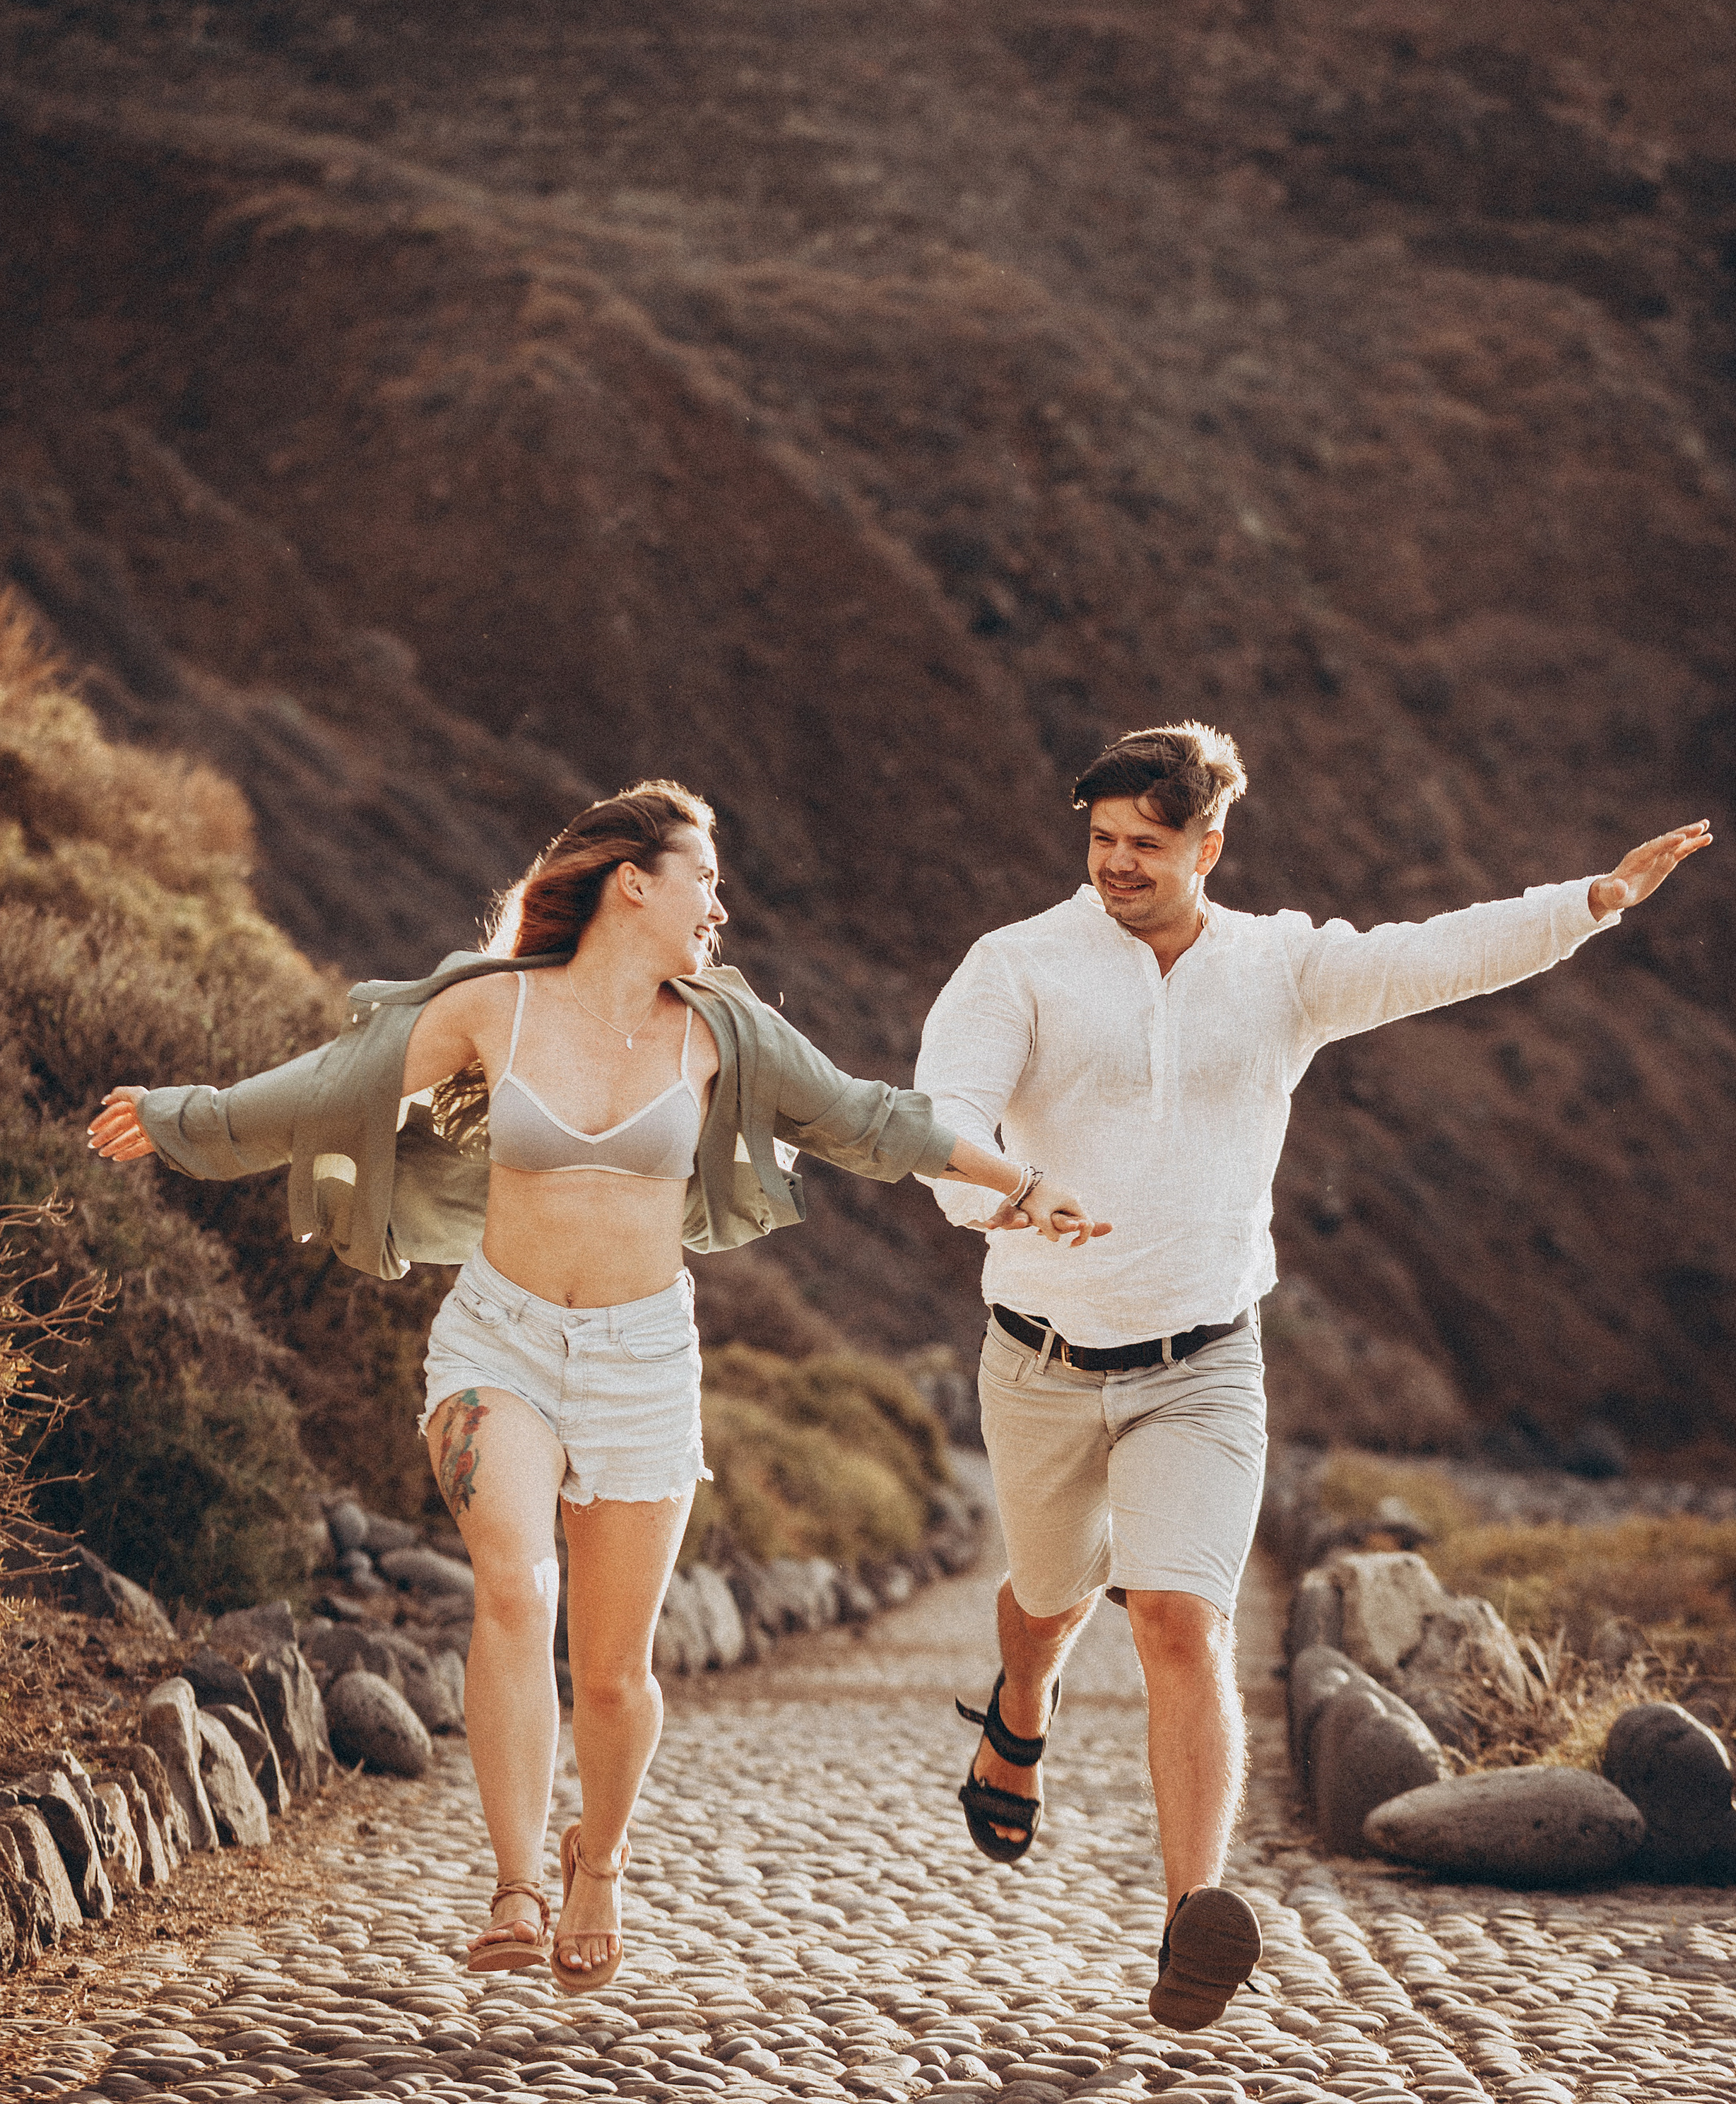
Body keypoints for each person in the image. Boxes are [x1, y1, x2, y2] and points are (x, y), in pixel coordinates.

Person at [90, 781, 1102, 1990]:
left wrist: (1017, 1184)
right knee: (515, 1591)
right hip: (499, 1342)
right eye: (703, 880)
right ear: (633, 882)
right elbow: (332, 1086)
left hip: (643, 1363)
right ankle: (517, 1886)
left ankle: (599, 1859)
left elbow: (868, 1121)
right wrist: (184, 1117)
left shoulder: (722, 1033)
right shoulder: (491, 1007)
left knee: (617, 1677)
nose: (718, 908)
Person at [916, 721, 1711, 2031]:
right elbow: (942, 1113)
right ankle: (1020, 1709)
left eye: (1148, 844)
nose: (1118, 863)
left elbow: (1430, 956)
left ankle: (1192, 1917)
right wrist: (1008, 1191)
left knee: (1180, 1619)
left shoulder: (1278, 968)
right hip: (1042, 1359)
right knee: (1049, 1603)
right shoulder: (1018, 964)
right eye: (1102, 840)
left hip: (1205, 1362)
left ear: (1209, 846)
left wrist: (1592, 901)